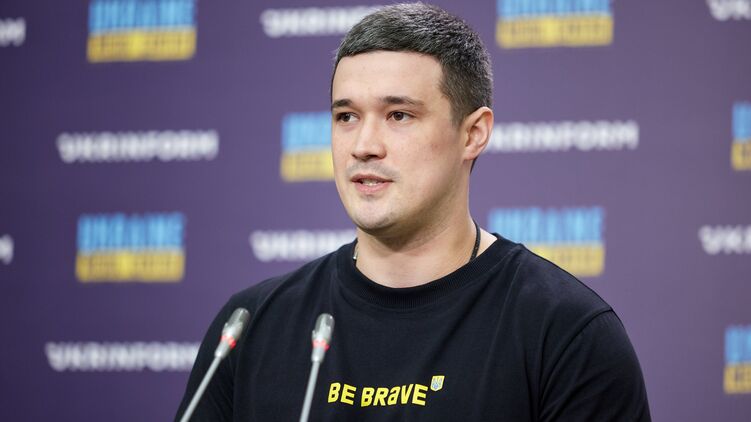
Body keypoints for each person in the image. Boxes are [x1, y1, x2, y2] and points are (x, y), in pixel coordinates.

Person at [175, 3, 651, 421]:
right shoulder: (250, 326)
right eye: (346, 117)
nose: (364, 145)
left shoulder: (566, 333)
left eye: (398, 115)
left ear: (473, 134)